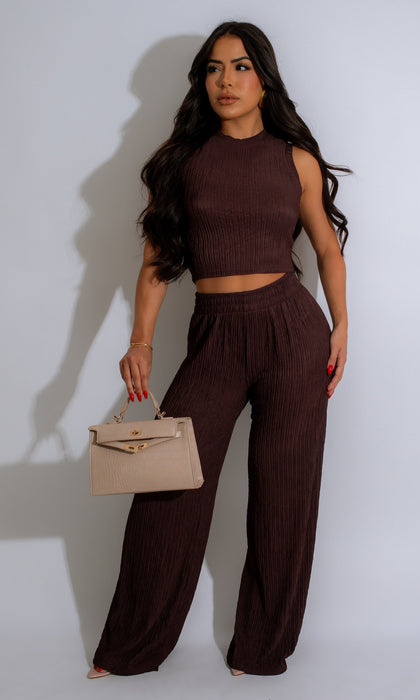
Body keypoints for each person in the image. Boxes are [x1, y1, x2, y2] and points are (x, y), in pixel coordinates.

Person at [87, 20, 351, 680]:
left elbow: (326, 247)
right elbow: (156, 261)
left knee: (285, 497)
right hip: (214, 337)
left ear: (264, 79)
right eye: (213, 68)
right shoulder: (183, 162)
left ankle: (261, 649)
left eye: (239, 67)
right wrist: (140, 340)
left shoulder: (294, 160)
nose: (225, 81)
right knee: (169, 485)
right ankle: (131, 647)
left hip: (292, 333)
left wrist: (342, 323)